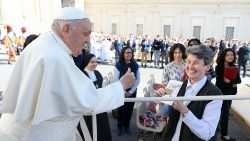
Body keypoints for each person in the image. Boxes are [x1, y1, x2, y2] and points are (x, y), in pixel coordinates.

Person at [0, 7, 135, 141]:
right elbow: (87, 101)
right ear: (66, 29)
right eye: (85, 33)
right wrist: (121, 85)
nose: (88, 40)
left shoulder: (44, 45)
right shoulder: (55, 57)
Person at [156, 45, 222, 141]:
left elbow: (207, 133)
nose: (190, 66)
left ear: (207, 67)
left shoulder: (214, 94)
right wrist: (161, 101)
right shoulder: (176, 85)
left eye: (196, 63)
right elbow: (163, 113)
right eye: (189, 61)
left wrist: (184, 111)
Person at [77, 53, 111, 141]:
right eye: (92, 62)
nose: (95, 64)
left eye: (96, 62)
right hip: (89, 108)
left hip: (99, 106)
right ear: (86, 62)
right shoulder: (81, 75)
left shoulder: (97, 73)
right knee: (91, 130)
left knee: (102, 129)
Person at [215, 48, 241, 141]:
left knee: (225, 113)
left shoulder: (234, 67)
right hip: (219, 92)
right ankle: (212, 132)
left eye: (232, 55)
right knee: (215, 113)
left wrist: (230, 81)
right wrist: (225, 80)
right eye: (228, 55)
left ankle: (224, 134)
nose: (230, 56)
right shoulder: (219, 67)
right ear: (224, 56)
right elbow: (219, 80)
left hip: (229, 92)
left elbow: (239, 80)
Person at [114, 46, 140, 136]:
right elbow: (116, 79)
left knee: (129, 110)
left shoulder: (135, 65)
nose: (129, 54)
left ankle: (127, 126)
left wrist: (131, 92)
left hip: (132, 92)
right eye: (127, 52)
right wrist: (124, 91)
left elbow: (137, 80)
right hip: (121, 91)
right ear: (123, 54)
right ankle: (120, 127)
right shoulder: (118, 65)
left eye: (130, 52)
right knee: (121, 110)